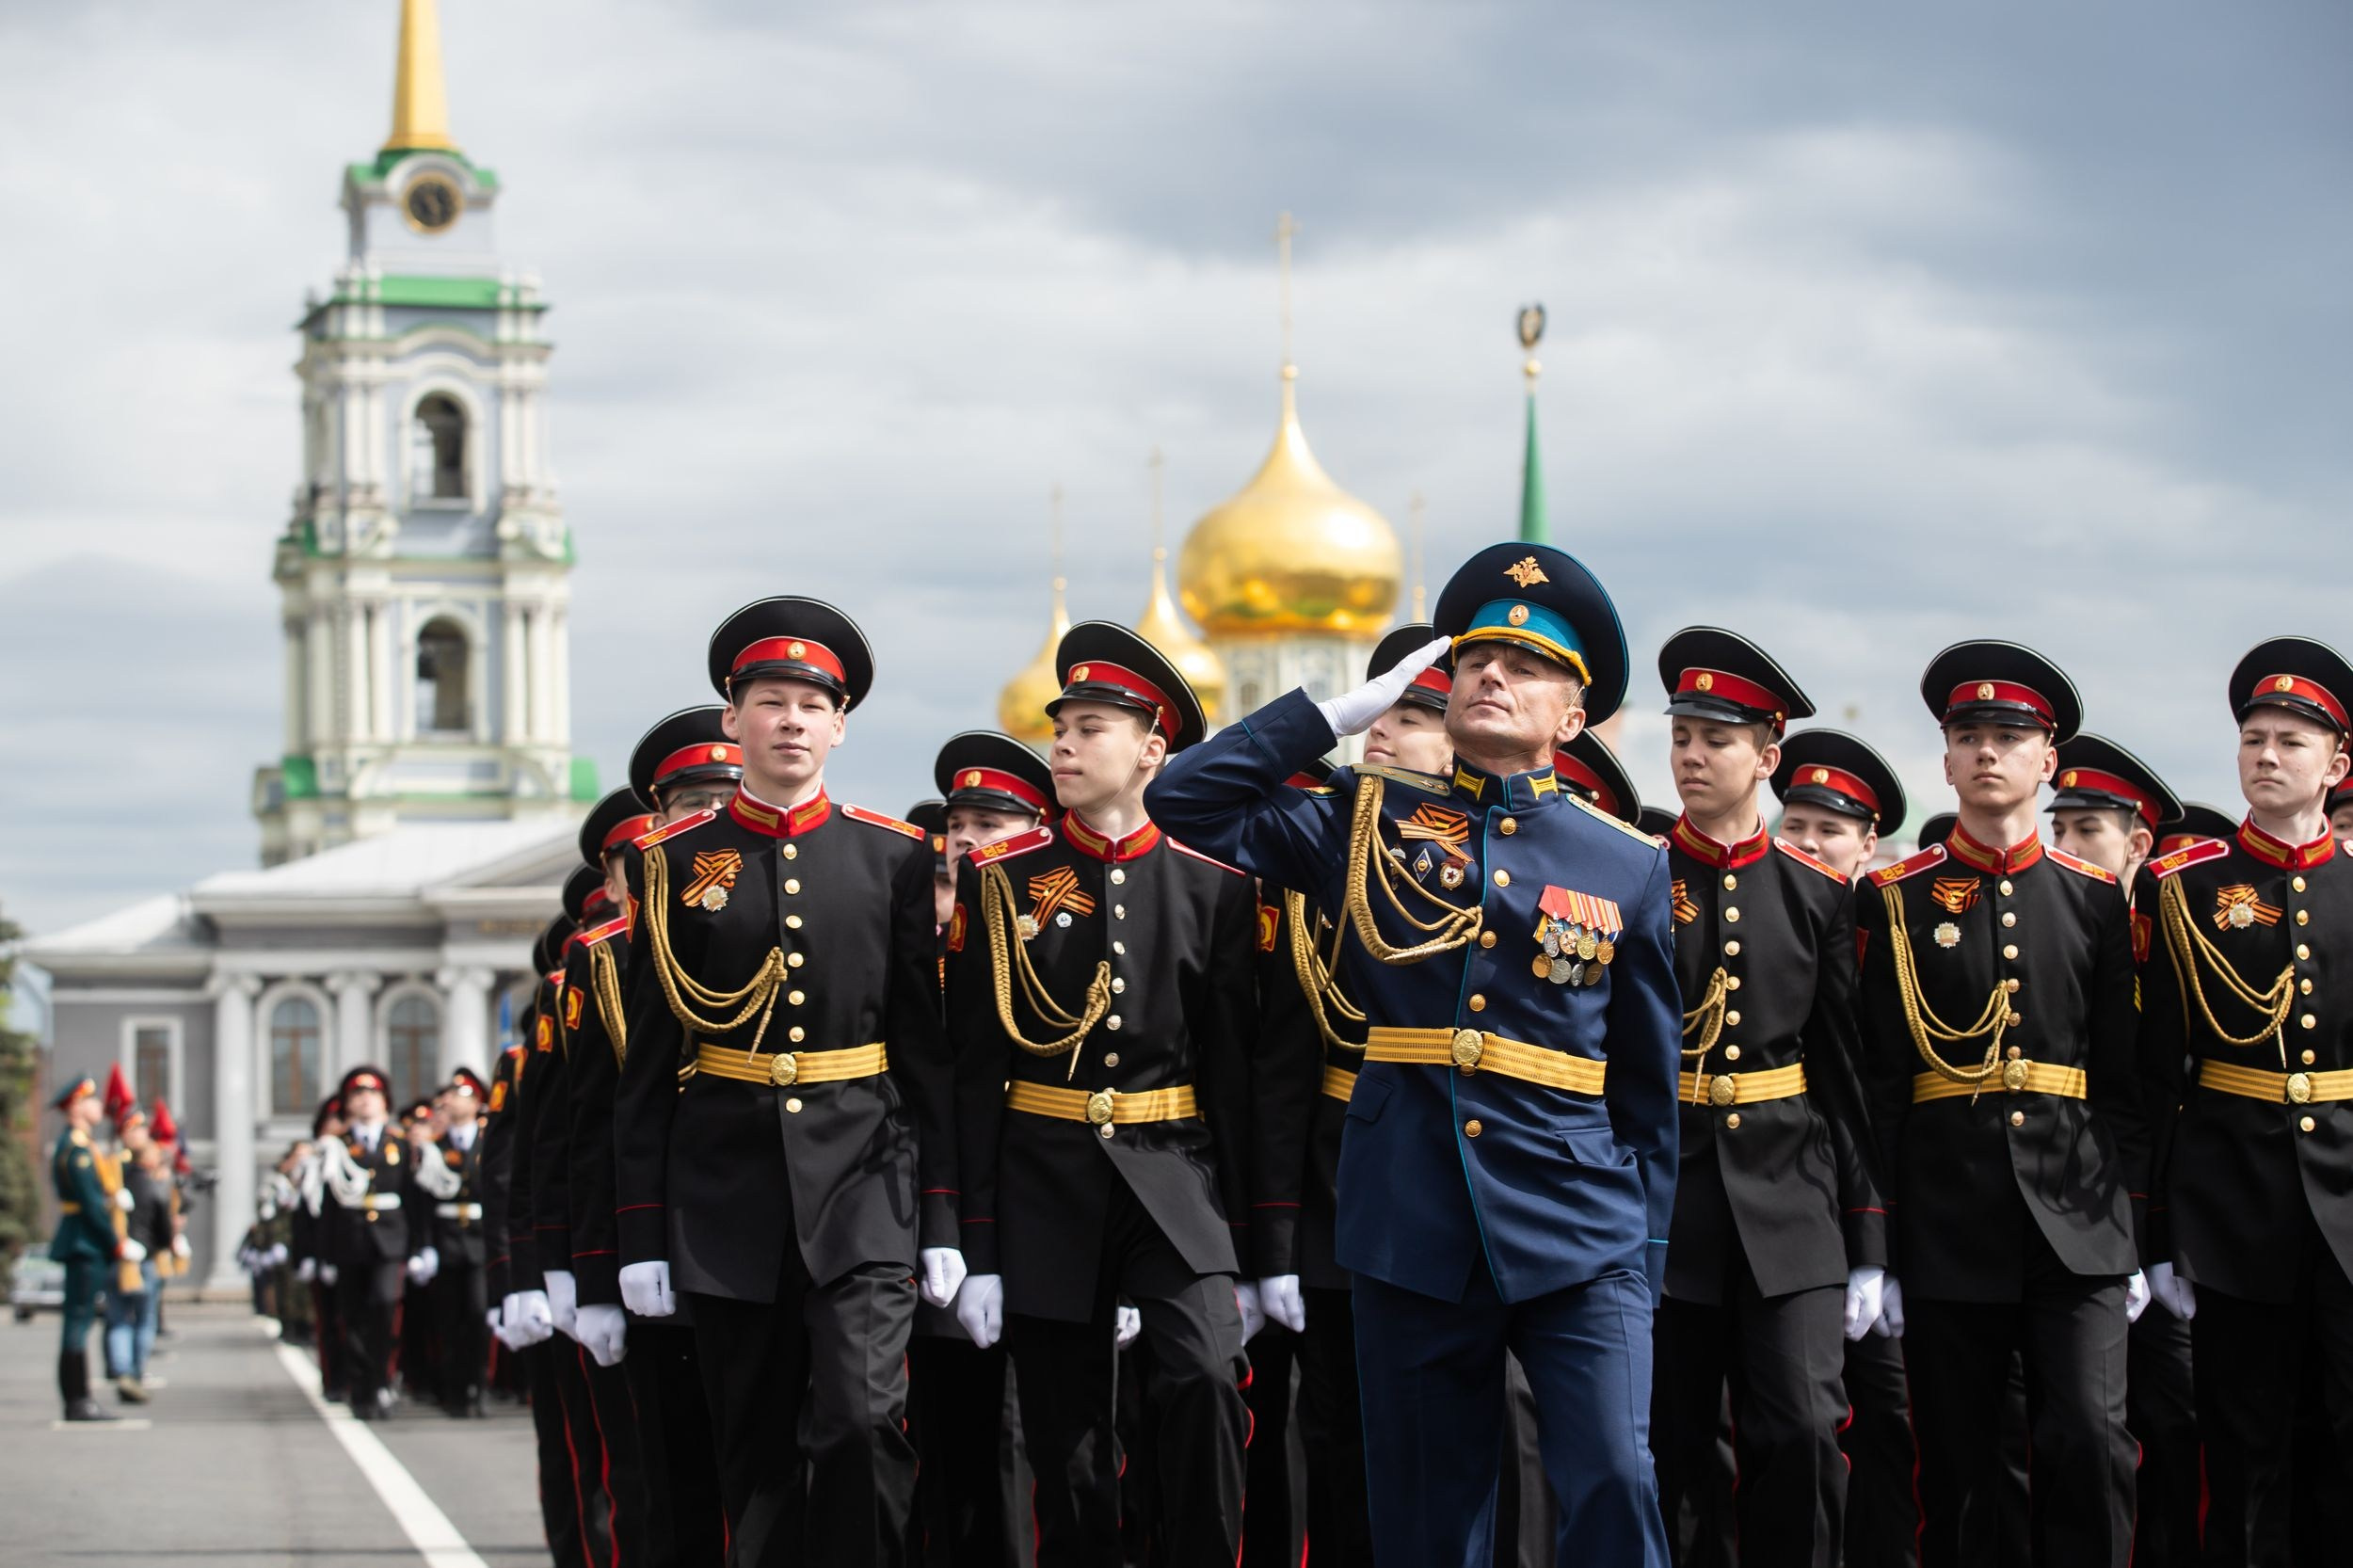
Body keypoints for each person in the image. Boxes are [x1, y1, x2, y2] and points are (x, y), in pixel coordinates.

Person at [1147, 541, 1679, 1568]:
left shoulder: (1625, 864)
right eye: (1477, 658)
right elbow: (1184, 801)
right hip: (1413, 1214)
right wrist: (1332, 718)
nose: (1492, 674)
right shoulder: (1366, 819)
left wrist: (1645, 1257)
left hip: (1580, 1223)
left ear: (1573, 717)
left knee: (1614, 1475)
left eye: (1526, 668)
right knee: (1429, 1516)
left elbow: (1646, 1089)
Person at [614, 597, 959, 1565]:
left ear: (839, 727)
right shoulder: (671, 864)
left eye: (813, 705)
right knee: (754, 1451)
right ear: (734, 721)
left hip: (866, 1181)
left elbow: (925, 1054)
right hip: (727, 1189)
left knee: (858, 1419)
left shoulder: (892, 856)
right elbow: (644, 1068)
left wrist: (940, 1216)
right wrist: (640, 1232)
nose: (793, 720)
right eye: (771, 701)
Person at [947, 622, 1263, 1568]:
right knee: (1069, 1443)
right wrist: (976, 1244)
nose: (1065, 747)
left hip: (1175, 1182)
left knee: (1207, 1376)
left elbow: (1235, 1079)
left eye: (1090, 728)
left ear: (1152, 750)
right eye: (1062, 729)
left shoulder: (1213, 890)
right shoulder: (1002, 886)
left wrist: (1256, 1244)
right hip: (1044, 1183)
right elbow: (971, 1077)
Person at [1856, 642, 2146, 1567]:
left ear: (2046, 761)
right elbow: (1878, 1083)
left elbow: (2125, 1077)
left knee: (2093, 1443)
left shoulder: (2095, 899)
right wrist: (1880, 1244)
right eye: (1968, 736)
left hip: (2079, 1219)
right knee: (1961, 1469)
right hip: (1948, 1219)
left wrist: (2137, 1229)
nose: (1987, 753)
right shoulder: (1893, 901)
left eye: (2007, 738)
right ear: (1944, 759)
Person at [1648, 630, 1885, 1568]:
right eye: (1681, 737)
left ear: (1767, 754)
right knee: (1668, 1451)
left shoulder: (1819, 895)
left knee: (1800, 1430)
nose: (1693, 756)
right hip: (1662, 1201)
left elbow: (1844, 1076)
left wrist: (1866, 1237)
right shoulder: (1634, 877)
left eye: (1716, 738)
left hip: (1790, 1203)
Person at [2138, 636, 2353, 1566]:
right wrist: (2154, 1239)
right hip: (2231, 1207)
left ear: (2336, 765)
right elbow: (2151, 1078)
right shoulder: (2183, 891)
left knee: (2342, 1442)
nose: (2266, 756)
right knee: (2241, 1447)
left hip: (2347, 1208)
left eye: (2290, 742)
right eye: (2253, 738)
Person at [2041, 733, 2199, 1568]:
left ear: (2139, 845)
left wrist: (2158, 1238)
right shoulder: (2048, 936)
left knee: (2174, 1424)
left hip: (2170, 1230)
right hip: (2075, 1221)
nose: (2066, 847)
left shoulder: (2174, 942)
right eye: (2058, 828)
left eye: (2088, 831)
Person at [1768, 728, 1921, 1568]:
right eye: (1796, 824)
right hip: (1795, 1208)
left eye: (1831, 831)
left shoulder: (1895, 926)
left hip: (1897, 1210)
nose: (1810, 843)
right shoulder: (1771, 918)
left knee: (1892, 1423)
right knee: (1799, 1423)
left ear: (1869, 844)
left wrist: (1882, 1238)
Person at [916, 730, 1054, 1568]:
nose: (967, 837)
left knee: (1040, 1443)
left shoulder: (1062, 935)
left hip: (1046, 1209)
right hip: (940, 1217)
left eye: (991, 822)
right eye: (958, 822)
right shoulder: (920, 943)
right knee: (950, 1436)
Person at [319, 1064, 429, 1419]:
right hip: (350, 1240)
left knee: (384, 1307)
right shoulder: (337, 1148)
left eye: (372, 1094)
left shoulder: (400, 1144)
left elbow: (414, 1199)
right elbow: (328, 1205)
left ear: (384, 1101)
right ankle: (360, 1388)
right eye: (358, 1095)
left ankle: (381, 1380)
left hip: (391, 1239)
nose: (365, 1100)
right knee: (352, 1317)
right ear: (348, 1104)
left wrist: (418, 1247)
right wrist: (323, 1254)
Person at [48, 1077, 131, 1421]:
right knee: (78, 1321)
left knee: (79, 1320)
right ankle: (78, 1400)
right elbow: (92, 1205)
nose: (99, 1107)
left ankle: (79, 1399)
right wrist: (116, 1242)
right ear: (76, 1107)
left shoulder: (82, 1145)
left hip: (83, 1239)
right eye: (92, 1101)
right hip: (85, 1241)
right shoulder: (77, 1150)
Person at [424, 1067, 492, 1416]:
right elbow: (421, 1200)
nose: (450, 1100)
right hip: (447, 1240)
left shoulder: (490, 1141)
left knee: (480, 1315)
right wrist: (424, 1246)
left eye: (460, 1094)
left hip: (481, 1241)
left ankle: (479, 1386)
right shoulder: (435, 1148)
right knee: (450, 1320)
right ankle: (454, 1391)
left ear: (477, 1101)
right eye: (448, 1095)